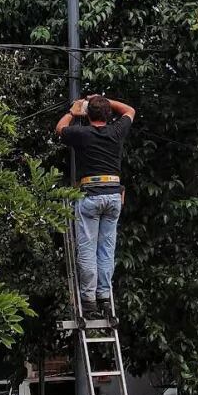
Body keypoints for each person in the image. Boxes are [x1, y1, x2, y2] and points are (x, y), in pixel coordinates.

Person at [56, 94, 136, 319]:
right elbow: (130, 109)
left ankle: (89, 302)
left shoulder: (82, 134)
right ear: (108, 114)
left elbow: (60, 128)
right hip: (112, 196)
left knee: (88, 249)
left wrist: (74, 111)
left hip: (90, 196)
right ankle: (105, 297)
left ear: (88, 115)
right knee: (106, 250)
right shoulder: (116, 131)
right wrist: (103, 100)